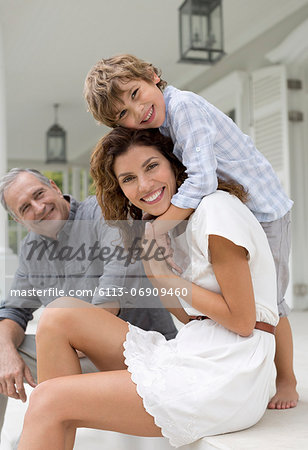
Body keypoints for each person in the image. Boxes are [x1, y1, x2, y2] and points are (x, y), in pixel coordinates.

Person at [19, 128, 279, 449]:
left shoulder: (216, 210)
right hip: (197, 348)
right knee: (59, 315)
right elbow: (189, 318)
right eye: (128, 179)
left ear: (174, 165)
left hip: (229, 372)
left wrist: (171, 280)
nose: (144, 185)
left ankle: (56, 420)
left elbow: (240, 320)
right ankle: (58, 424)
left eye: (152, 166)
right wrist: (153, 259)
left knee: (48, 399)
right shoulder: (175, 227)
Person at [83, 54, 298, 409]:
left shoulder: (183, 108)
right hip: (230, 210)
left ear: (152, 75)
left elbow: (202, 178)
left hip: (264, 210)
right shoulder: (159, 127)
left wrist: (159, 231)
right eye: (123, 113)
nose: (137, 112)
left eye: (136, 93)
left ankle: (286, 378)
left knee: (272, 302)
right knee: (230, 292)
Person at [0, 168, 177, 437]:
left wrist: (71, 334)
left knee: (58, 321)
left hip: (137, 351)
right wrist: (5, 353)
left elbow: (114, 286)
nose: (39, 207)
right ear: (18, 219)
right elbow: (14, 310)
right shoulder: (30, 249)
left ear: (54, 187)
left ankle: (46, 430)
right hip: (74, 357)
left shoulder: (100, 210)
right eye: (25, 208)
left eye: (39, 194)